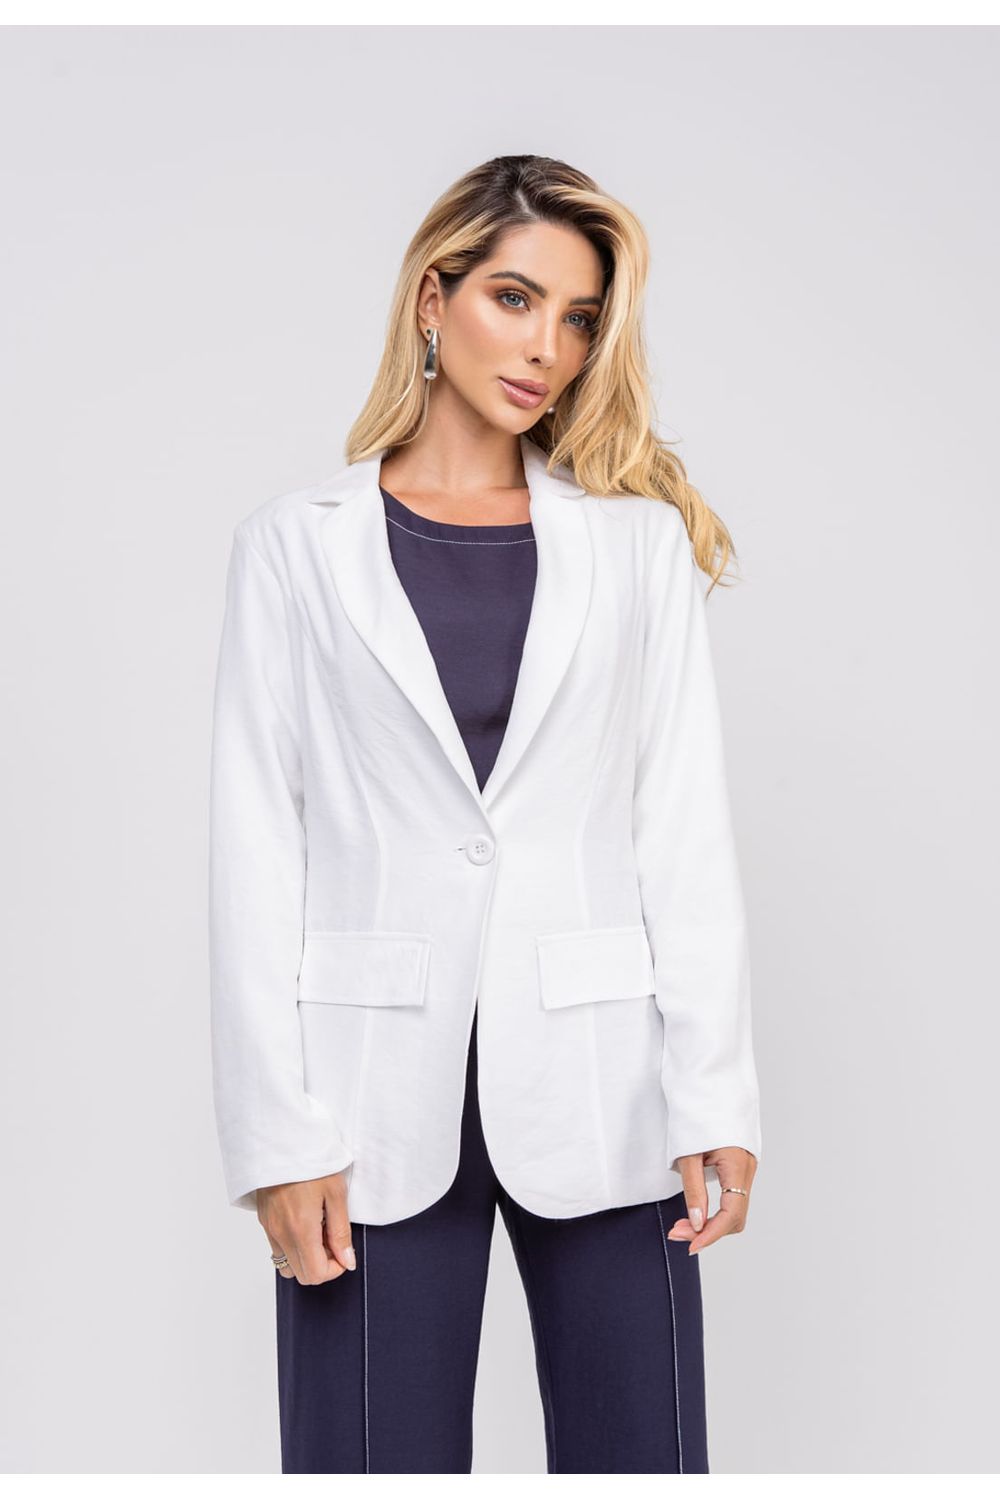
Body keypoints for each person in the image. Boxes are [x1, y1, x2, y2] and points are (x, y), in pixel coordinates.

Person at [208, 154, 762, 1475]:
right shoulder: (295, 546)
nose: (547, 347)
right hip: (365, 1098)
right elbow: (255, 848)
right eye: (515, 298)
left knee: (643, 1464)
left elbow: (682, 831)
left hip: (607, 1085)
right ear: (432, 299)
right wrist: (275, 1135)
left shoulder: (637, 549)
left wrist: (716, 1092)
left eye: (578, 318)